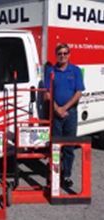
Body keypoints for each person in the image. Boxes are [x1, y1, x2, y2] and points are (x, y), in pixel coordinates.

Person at [44, 43, 85, 188]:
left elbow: (78, 92)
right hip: (55, 114)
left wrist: (64, 108)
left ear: (69, 54)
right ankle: (53, 175)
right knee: (55, 146)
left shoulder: (75, 71)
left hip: (71, 114)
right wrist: (57, 109)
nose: (62, 56)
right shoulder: (50, 71)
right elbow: (47, 93)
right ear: (56, 55)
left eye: (65, 53)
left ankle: (66, 175)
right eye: (60, 53)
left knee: (68, 147)